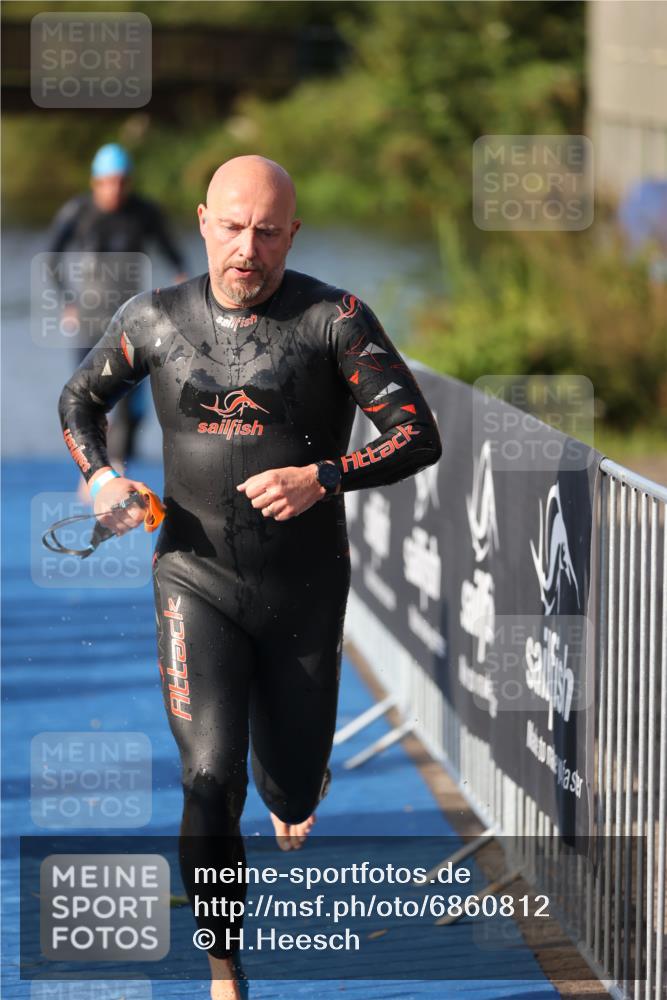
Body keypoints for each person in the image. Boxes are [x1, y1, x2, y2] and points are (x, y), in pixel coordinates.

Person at [57, 155, 442, 999]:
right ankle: (223, 968)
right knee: (207, 777)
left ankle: (295, 777)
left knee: (292, 785)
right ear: (201, 222)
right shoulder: (154, 321)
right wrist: (102, 480)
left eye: (268, 231)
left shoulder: (332, 321)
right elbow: (80, 402)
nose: (247, 248)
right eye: (232, 227)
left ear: (291, 233)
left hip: (304, 592)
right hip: (193, 579)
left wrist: (325, 476)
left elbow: (417, 434)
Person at [47, 142, 187, 463]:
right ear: (96, 182)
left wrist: (181, 280)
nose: (116, 189)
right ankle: (92, 468)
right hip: (89, 318)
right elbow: (51, 258)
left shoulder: (143, 212)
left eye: (122, 182)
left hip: (132, 318)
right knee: (86, 398)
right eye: (109, 182)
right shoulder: (78, 212)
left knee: (133, 405)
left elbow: (171, 250)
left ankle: (121, 465)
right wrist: (67, 301)